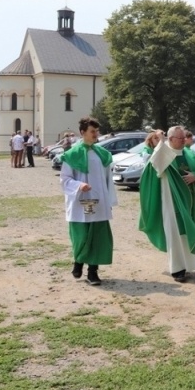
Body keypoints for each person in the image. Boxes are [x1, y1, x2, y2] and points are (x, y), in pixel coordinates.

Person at [138, 126, 195, 283]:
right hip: (171, 202)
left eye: (184, 138)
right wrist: (160, 140)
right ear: (170, 139)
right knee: (175, 234)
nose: (184, 141)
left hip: (191, 202)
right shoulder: (164, 154)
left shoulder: (189, 154)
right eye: (180, 138)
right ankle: (177, 269)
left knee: (189, 232)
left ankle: (190, 264)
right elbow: (156, 163)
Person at [59, 116, 118, 286]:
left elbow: (108, 180)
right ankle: (78, 261)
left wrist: (109, 202)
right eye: (92, 131)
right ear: (82, 132)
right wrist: (78, 185)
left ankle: (93, 272)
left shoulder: (102, 155)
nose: (96, 134)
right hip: (80, 203)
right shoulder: (72, 155)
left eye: (97, 131)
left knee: (98, 238)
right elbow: (64, 179)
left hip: (99, 204)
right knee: (81, 237)